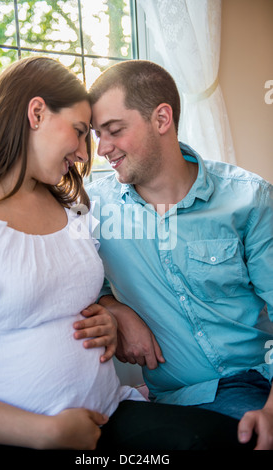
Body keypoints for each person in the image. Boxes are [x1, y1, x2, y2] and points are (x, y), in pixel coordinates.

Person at [0, 56, 251, 454]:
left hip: (108, 413)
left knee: (218, 440)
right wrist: (44, 433)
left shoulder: (73, 209)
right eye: (80, 131)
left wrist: (109, 312)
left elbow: (69, 294)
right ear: (36, 113)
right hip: (22, 437)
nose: (87, 154)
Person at [84, 59, 273, 450]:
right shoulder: (94, 209)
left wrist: (271, 410)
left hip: (253, 385)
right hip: (168, 404)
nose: (102, 149)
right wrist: (115, 308)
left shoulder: (248, 199)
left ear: (162, 118)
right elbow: (79, 282)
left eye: (114, 131)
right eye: (96, 135)